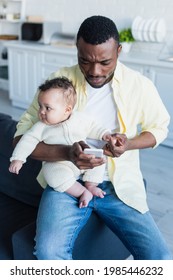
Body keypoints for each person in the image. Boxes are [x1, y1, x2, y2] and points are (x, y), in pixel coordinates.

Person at [13, 15, 172, 260]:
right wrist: (67, 154)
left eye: (105, 62)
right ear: (76, 49)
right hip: (66, 181)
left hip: (119, 185)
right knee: (47, 252)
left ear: (119, 51)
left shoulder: (139, 85)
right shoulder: (59, 83)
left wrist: (128, 144)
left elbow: (160, 128)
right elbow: (22, 135)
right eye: (84, 61)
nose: (94, 71)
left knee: (160, 259)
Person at [9, 77, 112, 208]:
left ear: (67, 110)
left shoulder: (79, 119)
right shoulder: (41, 127)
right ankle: (81, 192)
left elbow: (93, 127)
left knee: (100, 158)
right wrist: (18, 159)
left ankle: (91, 185)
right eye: (40, 106)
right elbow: (27, 141)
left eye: (48, 108)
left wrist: (105, 134)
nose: (41, 111)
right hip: (59, 164)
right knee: (51, 173)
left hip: (84, 158)